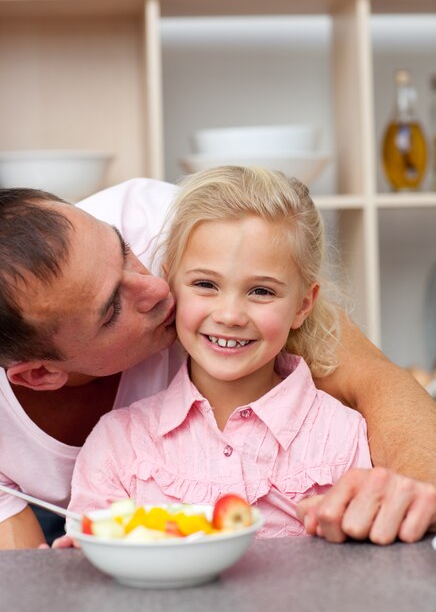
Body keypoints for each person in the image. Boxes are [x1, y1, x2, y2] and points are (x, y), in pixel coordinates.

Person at [0, 178, 435, 548]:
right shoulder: (114, 445)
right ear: (39, 374)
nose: (156, 287)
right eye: (113, 309)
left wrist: (420, 500)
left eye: (124, 250)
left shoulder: (186, 228)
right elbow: (27, 570)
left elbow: (374, 379)